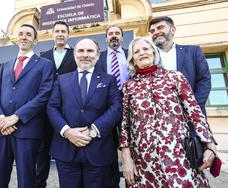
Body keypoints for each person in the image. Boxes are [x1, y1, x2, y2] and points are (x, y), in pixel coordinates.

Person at [120, 37, 217, 187]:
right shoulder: (129, 87)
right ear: (133, 59)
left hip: (179, 153)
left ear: (153, 51)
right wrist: (126, 158)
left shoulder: (174, 77)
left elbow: (195, 113)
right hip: (144, 159)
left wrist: (209, 144)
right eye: (136, 51)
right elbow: (125, 125)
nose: (142, 53)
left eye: (145, 49)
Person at [48, 38, 122, 188]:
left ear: (97, 55)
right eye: (81, 51)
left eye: (90, 51)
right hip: (66, 150)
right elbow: (52, 107)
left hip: (98, 150)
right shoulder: (61, 80)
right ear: (75, 55)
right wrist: (67, 131)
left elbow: (116, 107)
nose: (85, 55)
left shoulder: (109, 80)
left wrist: (93, 130)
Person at [0, 24, 54, 188]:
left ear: (35, 40)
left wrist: (16, 117)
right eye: (21, 34)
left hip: (26, 130)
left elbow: (44, 95)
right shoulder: (5, 65)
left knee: (26, 180)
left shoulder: (45, 65)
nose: (24, 37)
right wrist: (0, 119)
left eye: (29, 34)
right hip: (0, 130)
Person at [37, 21, 77, 188]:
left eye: (63, 31)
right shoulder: (42, 55)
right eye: (57, 31)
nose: (60, 34)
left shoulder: (76, 54)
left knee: (67, 153)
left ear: (68, 34)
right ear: (52, 34)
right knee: (41, 154)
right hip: (45, 110)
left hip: (67, 109)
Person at [149, 16, 211, 116]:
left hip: (192, 117)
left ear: (173, 30)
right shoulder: (148, 58)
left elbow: (204, 80)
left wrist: (193, 108)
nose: (155, 32)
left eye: (160, 28)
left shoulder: (193, 52)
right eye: (152, 31)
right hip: (161, 120)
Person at [96, 25, 129, 188]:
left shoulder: (132, 54)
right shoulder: (99, 58)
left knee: (132, 147)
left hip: (131, 109)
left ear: (122, 38)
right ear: (106, 38)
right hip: (106, 109)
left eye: (117, 33)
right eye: (110, 34)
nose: (114, 36)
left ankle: (134, 182)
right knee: (109, 149)